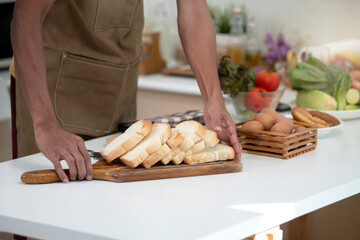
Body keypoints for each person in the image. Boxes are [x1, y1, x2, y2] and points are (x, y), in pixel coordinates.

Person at [10, 0, 241, 183]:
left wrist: (214, 99)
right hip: (53, 104)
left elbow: (194, 13)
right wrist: (45, 125)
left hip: (118, 97)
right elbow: (25, 20)